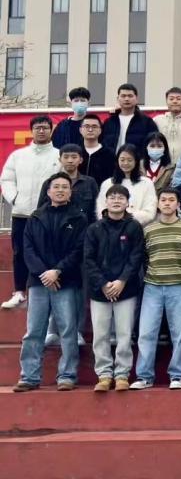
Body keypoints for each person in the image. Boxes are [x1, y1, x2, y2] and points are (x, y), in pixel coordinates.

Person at [11, 173, 87, 392]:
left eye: (65, 187)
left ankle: (67, 375)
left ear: (70, 192)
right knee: (34, 331)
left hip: (66, 281)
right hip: (38, 282)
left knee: (68, 331)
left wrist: (58, 271)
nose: (60, 190)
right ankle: (29, 376)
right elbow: (28, 249)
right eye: (56, 187)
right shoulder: (36, 217)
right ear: (48, 191)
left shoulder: (78, 218)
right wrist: (44, 273)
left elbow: (79, 250)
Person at [131, 188, 181, 390]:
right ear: (158, 204)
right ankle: (144, 376)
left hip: (179, 285)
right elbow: (144, 257)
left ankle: (177, 375)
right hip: (153, 286)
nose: (167, 203)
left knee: (179, 333)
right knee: (146, 333)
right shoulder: (148, 229)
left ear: (178, 204)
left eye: (171, 200)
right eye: (163, 200)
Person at [84, 184, 144, 392]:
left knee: (124, 334)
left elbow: (136, 257)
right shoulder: (94, 228)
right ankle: (104, 374)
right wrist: (103, 283)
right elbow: (88, 259)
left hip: (126, 289)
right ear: (105, 201)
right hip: (99, 290)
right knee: (100, 334)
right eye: (112, 197)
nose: (116, 201)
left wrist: (122, 281)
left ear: (128, 203)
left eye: (121, 198)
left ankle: (122, 374)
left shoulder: (134, 227)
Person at [1, 115, 61, 309]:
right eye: (37, 128)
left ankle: (48, 292)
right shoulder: (18, 155)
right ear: (31, 130)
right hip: (22, 213)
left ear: (51, 130)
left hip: (48, 215)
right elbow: (7, 179)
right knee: (20, 253)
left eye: (45, 127)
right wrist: (15, 198)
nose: (41, 131)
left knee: (49, 253)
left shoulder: (59, 155)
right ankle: (19, 292)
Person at [38, 144, 99, 228]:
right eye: (66, 157)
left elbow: (96, 209)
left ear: (81, 160)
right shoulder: (49, 183)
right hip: (56, 228)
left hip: (84, 229)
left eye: (74, 157)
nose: (70, 161)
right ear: (60, 160)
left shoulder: (90, 182)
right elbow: (41, 209)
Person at [98, 145, 157, 225]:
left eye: (129, 160)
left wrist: (126, 218)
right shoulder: (107, 183)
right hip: (110, 228)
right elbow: (101, 210)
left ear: (136, 161)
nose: (126, 163)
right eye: (122, 160)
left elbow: (150, 212)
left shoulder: (147, 183)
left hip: (138, 228)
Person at [100, 83, 158, 152]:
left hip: (137, 158)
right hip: (112, 158)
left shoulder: (147, 122)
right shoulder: (109, 122)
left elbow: (154, 143)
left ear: (136, 99)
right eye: (123, 96)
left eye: (130, 96)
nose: (126, 99)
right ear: (118, 99)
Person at [153, 86, 181, 164]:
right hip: (164, 166)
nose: (175, 101)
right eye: (171, 99)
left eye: (178, 99)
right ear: (166, 101)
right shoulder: (157, 120)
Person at [79, 113, 117, 186]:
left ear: (100, 130)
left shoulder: (109, 154)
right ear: (80, 130)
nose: (90, 130)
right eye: (86, 126)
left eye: (94, 127)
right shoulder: (76, 152)